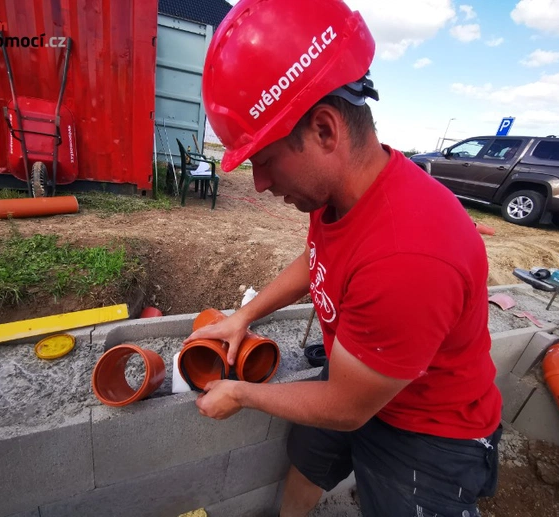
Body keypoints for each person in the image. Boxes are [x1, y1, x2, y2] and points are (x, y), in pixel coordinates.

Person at [185, 1, 502, 516]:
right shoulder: (345, 192)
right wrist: (245, 316)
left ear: (326, 131)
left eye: (265, 161)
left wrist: (241, 393)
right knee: (308, 457)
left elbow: (346, 407)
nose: (261, 184)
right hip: (362, 380)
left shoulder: (409, 257)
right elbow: (319, 258)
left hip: (430, 426)